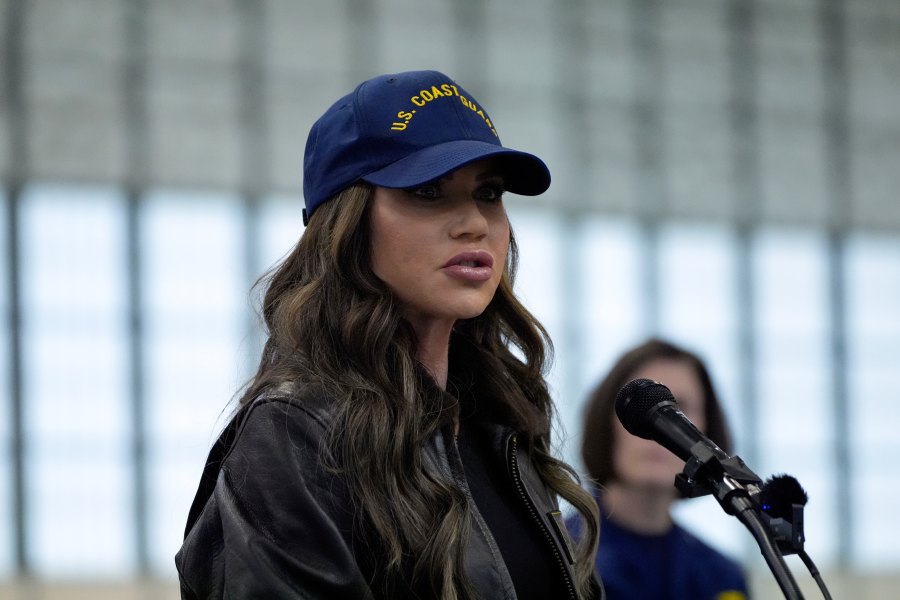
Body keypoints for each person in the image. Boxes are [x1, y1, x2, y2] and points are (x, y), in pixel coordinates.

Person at [175, 70, 602, 600]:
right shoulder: (295, 433)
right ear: (346, 225)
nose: (474, 222)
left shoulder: (503, 421)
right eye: (427, 191)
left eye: (488, 193)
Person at [571, 338, 749, 600]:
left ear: (707, 432)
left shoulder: (722, 577)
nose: (656, 431)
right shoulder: (557, 555)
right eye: (640, 409)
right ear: (605, 423)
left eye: (680, 410)